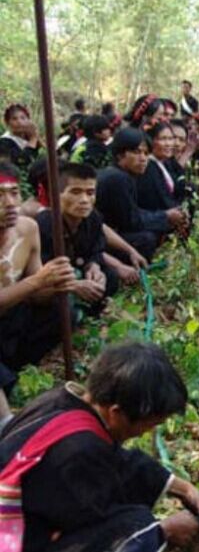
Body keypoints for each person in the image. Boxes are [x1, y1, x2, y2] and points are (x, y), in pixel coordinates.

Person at [0, 341, 199, 552]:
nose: (146, 432)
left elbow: (116, 459)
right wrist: (164, 530)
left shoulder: (58, 402)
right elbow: (98, 520)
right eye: (150, 424)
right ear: (116, 413)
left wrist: (180, 487)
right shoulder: (78, 452)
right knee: (138, 526)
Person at [0, 162, 77, 423]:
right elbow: (34, 283)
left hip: (12, 320)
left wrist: (57, 283)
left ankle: (13, 370)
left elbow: (37, 295)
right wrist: (37, 281)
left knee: (62, 311)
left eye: (14, 193)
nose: (10, 203)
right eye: (0, 195)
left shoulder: (27, 229)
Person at [96, 128, 186, 262]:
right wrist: (165, 216)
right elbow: (131, 222)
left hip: (109, 233)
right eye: (137, 152)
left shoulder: (124, 175)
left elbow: (133, 212)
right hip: (100, 239)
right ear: (120, 155)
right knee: (146, 238)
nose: (143, 159)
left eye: (146, 153)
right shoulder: (117, 178)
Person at [36, 163, 119, 309]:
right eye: (75, 192)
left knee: (110, 276)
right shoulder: (43, 224)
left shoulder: (93, 218)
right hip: (53, 284)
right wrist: (74, 285)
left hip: (80, 271)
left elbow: (96, 249)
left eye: (90, 193)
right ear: (56, 194)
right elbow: (39, 274)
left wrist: (93, 266)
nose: (84, 200)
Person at [0, 104, 41, 171]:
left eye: (23, 118)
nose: (19, 122)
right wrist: (33, 139)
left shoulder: (29, 137)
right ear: (7, 123)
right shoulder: (4, 142)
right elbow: (21, 162)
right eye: (14, 119)